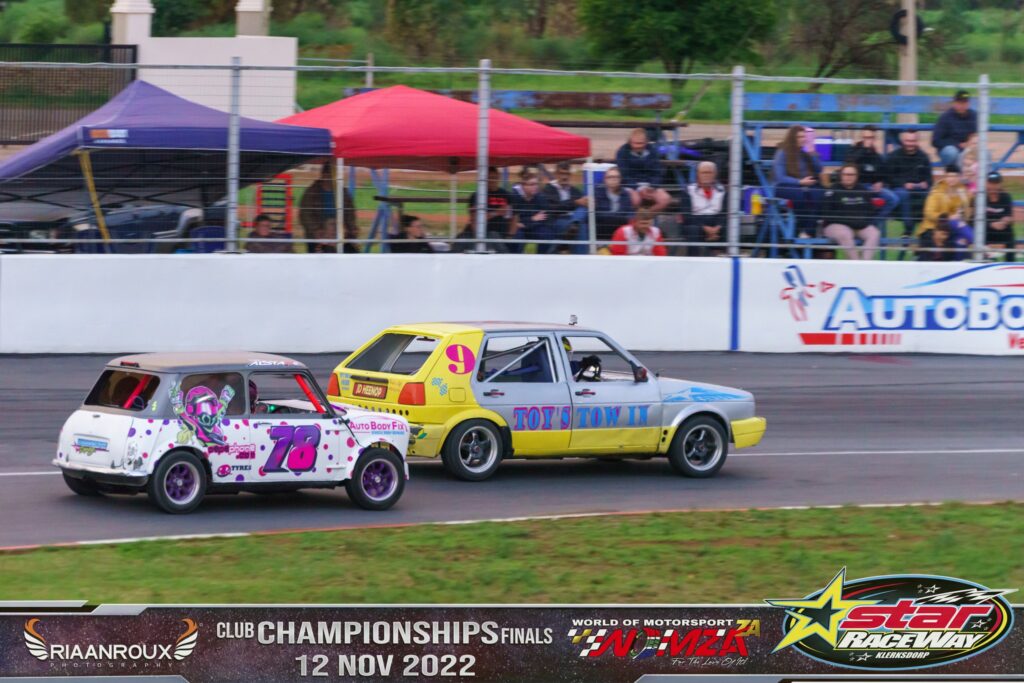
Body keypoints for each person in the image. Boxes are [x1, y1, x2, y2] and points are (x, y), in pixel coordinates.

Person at [820, 164, 881, 261]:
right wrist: (850, 219)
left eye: (852, 175)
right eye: (845, 174)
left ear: (856, 176)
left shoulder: (863, 190)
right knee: (845, 233)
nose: (848, 177)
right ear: (841, 175)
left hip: (859, 225)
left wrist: (860, 221)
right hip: (836, 225)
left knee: (874, 233)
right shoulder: (833, 190)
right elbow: (826, 213)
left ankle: (866, 264)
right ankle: (855, 264)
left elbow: (870, 210)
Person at [772, 124, 824, 235]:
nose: (802, 139)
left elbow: (819, 169)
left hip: (805, 185)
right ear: (792, 138)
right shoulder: (782, 152)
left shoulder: (805, 153)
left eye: (804, 136)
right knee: (800, 195)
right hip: (785, 186)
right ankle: (804, 230)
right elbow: (780, 177)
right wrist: (799, 182)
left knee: (819, 194)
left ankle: (807, 232)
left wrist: (812, 153)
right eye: (799, 137)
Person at [842, 125, 898, 223]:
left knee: (893, 199)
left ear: (874, 138)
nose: (868, 140)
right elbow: (849, 162)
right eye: (866, 137)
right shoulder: (854, 150)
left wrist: (880, 182)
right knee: (866, 202)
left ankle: (872, 224)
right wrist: (864, 149)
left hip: (871, 187)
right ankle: (865, 224)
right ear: (862, 137)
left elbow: (883, 173)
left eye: (871, 138)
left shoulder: (876, 155)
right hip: (856, 186)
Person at [299, 162, 357, 253]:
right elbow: (305, 214)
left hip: (340, 230)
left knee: (351, 252)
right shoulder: (312, 191)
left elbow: (350, 212)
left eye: (332, 175)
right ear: (323, 175)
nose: (330, 178)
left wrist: (351, 228)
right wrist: (316, 229)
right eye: (328, 175)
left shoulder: (343, 191)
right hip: (319, 233)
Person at [884, 130, 933, 236]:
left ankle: (927, 231)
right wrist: (903, 184)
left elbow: (929, 178)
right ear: (903, 141)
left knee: (931, 195)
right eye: (908, 141)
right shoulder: (894, 156)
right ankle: (908, 227)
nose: (910, 144)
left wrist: (925, 183)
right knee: (903, 193)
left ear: (917, 141)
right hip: (900, 189)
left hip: (919, 189)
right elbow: (888, 177)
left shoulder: (923, 157)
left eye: (913, 141)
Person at [614, 128, 672, 213]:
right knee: (635, 200)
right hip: (630, 185)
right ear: (629, 141)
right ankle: (636, 219)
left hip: (650, 185)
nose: (637, 146)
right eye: (635, 143)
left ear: (646, 142)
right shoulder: (622, 152)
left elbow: (658, 172)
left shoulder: (653, 151)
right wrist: (638, 189)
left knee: (665, 199)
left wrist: (652, 187)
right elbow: (624, 175)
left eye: (640, 143)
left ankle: (646, 217)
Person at [681, 161, 727, 256]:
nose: (706, 175)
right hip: (696, 222)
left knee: (730, 227)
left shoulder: (722, 190)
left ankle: (724, 259)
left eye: (709, 173)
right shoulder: (688, 190)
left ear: (715, 174)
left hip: (716, 220)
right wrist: (704, 228)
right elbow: (687, 215)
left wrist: (717, 227)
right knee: (692, 230)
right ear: (698, 174)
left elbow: (726, 212)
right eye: (703, 172)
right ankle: (694, 260)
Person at [542, 161, 588, 253]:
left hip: (573, 218)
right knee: (581, 227)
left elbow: (581, 204)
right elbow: (553, 209)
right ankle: (581, 258)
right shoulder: (549, 189)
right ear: (556, 174)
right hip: (557, 220)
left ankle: (574, 223)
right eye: (561, 174)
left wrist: (588, 202)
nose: (564, 177)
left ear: (570, 175)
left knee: (583, 210)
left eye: (567, 174)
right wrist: (574, 202)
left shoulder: (575, 190)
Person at [466, 166, 515, 252]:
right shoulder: (477, 196)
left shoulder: (507, 195)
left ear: (498, 178)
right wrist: (496, 212)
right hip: (484, 233)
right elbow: (474, 218)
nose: (492, 180)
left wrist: (510, 234)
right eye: (490, 178)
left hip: (503, 233)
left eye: (494, 178)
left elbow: (514, 216)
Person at [919, 165, 972, 237]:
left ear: (959, 177)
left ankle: (974, 241)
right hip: (932, 228)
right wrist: (949, 218)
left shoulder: (962, 190)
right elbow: (929, 213)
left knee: (961, 238)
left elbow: (967, 211)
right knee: (957, 226)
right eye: (949, 176)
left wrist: (962, 214)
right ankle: (977, 242)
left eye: (955, 176)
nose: (951, 179)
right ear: (945, 177)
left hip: (952, 228)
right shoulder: (937, 190)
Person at [933, 90, 978, 167]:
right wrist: (957, 145)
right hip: (949, 150)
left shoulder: (973, 115)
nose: (962, 105)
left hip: (968, 148)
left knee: (984, 152)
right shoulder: (945, 117)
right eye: (959, 103)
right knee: (952, 152)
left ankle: (983, 174)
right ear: (954, 103)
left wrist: (970, 143)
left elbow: (976, 134)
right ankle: (952, 172)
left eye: (964, 102)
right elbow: (935, 141)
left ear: (968, 104)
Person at [510, 172, 552, 254]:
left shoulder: (540, 197)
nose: (535, 187)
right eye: (532, 184)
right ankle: (516, 258)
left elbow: (544, 218)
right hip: (519, 229)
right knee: (517, 236)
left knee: (546, 234)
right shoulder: (514, 197)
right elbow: (514, 220)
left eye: (536, 184)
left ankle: (541, 258)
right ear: (523, 186)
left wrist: (526, 222)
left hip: (533, 227)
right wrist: (532, 219)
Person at [593, 166, 633, 244]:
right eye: (610, 177)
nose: (614, 179)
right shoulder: (598, 193)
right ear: (605, 180)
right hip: (603, 229)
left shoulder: (625, 194)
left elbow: (630, 212)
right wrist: (620, 218)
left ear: (620, 179)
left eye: (616, 177)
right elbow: (599, 214)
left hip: (621, 229)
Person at [983, 171, 1015, 261]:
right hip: (986, 231)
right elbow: (973, 221)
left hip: (1002, 230)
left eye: (996, 183)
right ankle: (987, 260)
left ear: (1000, 184)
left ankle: (1009, 262)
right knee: (980, 233)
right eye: (991, 183)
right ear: (986, 183)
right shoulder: (981, 197)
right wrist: (991, 224)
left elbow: (1010, 217)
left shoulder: (1006, 197)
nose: (993, 186)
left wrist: (1006, 220)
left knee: (1010, 233)